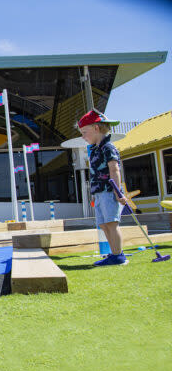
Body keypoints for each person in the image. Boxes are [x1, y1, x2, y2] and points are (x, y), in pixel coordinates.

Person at [77, 109, 128, 266]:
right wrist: (93, 194)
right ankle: (114, 253)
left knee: (112, 223)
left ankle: (119, 256)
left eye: (84, 132)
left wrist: (117, 192)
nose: (83, 137)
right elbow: (95, 173)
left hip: (109, 192)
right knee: (104, 224)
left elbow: (114, 169)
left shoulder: (108, 148)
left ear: (96, 128)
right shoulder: (95, 150)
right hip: (99, 193)